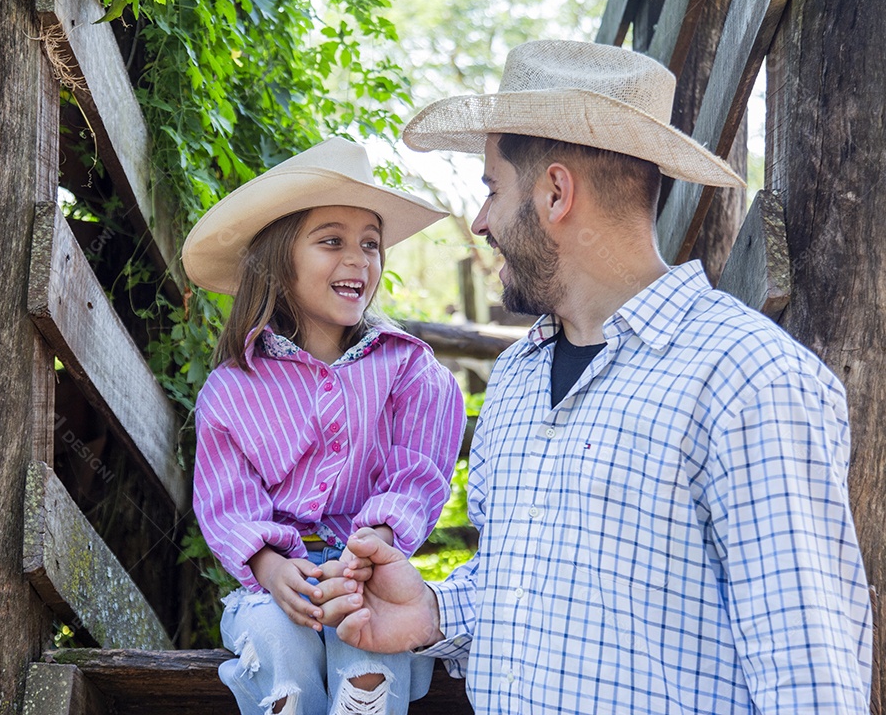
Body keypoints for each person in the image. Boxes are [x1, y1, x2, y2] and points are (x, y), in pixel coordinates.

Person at [316, 40, 873, 714]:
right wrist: (431, 608)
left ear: (555, 192)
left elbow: (809, 682)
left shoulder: (748, 380)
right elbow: (527, 589)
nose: (481, 219)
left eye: (493, 188)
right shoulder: (519, 379)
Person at [182, 137, 467, 715]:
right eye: (331, 241)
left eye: (371, 243)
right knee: (275, 647)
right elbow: (227, 502)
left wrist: (374, 546)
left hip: (370, 573)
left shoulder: (407, 370)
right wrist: (267, 563)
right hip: (273, 587)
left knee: (369, 655)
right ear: (279, 260)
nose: (359, 259)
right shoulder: (233, 390)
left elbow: (417, 473)